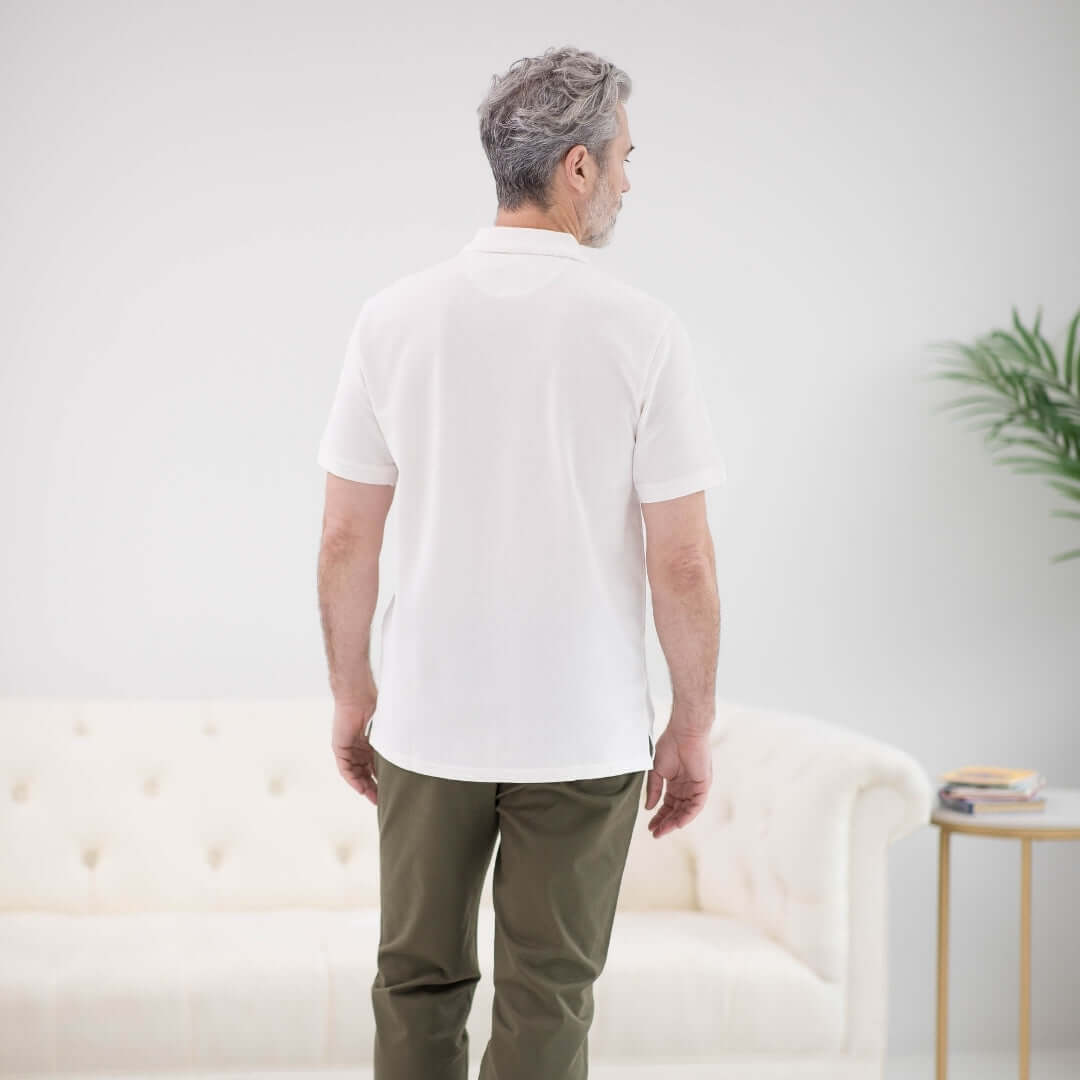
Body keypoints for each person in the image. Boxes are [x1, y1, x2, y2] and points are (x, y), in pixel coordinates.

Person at [315, 43, 725, 1080]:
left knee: (415, 983)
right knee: (549, 998)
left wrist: (351, 694)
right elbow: (682, 562)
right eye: (625, 156)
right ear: (575, 167)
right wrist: (692, 723)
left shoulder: (392, 320)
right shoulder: (642, 333)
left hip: (427, 718)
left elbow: (344, 538)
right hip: (581, 733)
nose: (630, 178)